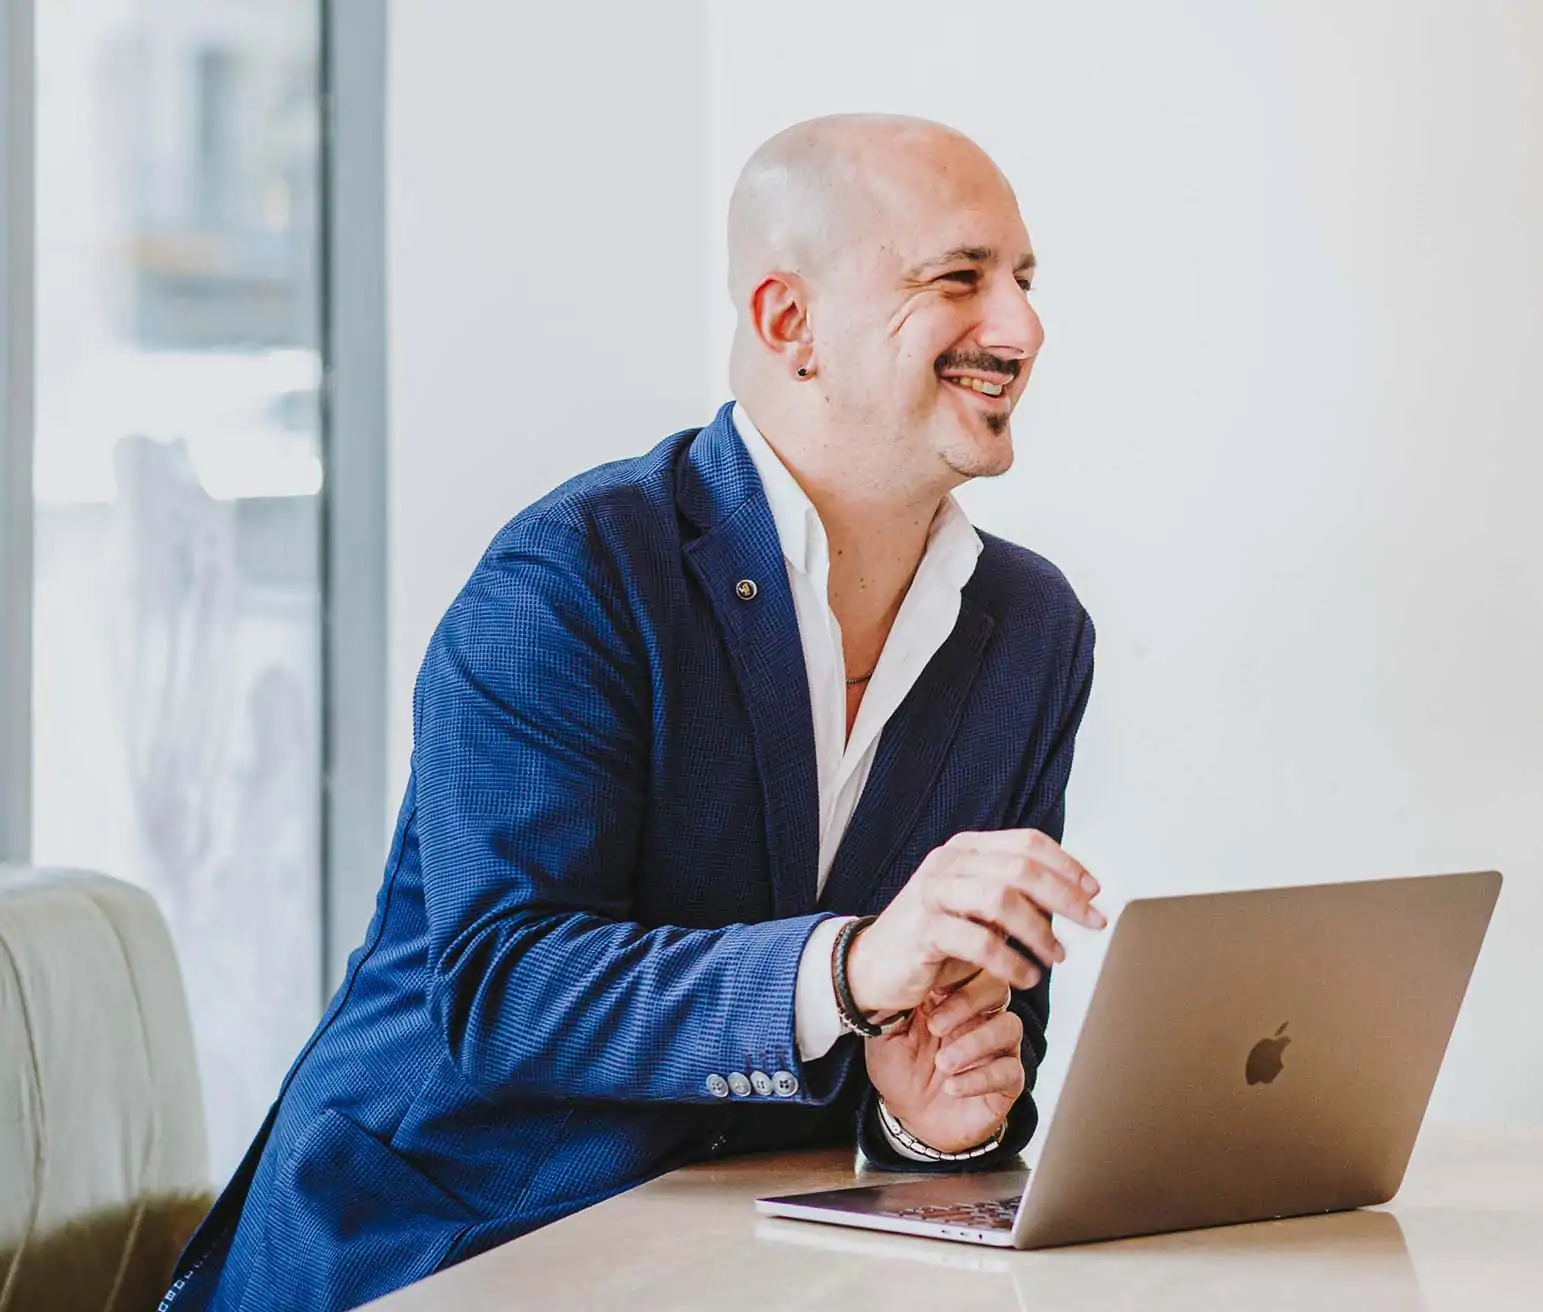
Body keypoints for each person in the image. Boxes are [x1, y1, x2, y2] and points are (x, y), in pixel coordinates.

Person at [160, 113, 1103, 1312]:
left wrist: (934, 1128)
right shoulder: (573, 577)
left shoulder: (1029, 632)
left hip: (740, 1267)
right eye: (960, 278)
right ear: (788, 323)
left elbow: (973, 1048)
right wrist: (854, 969)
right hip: (435, 1249)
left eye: (1022, 281)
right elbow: (507, 984)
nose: (1020, 327)